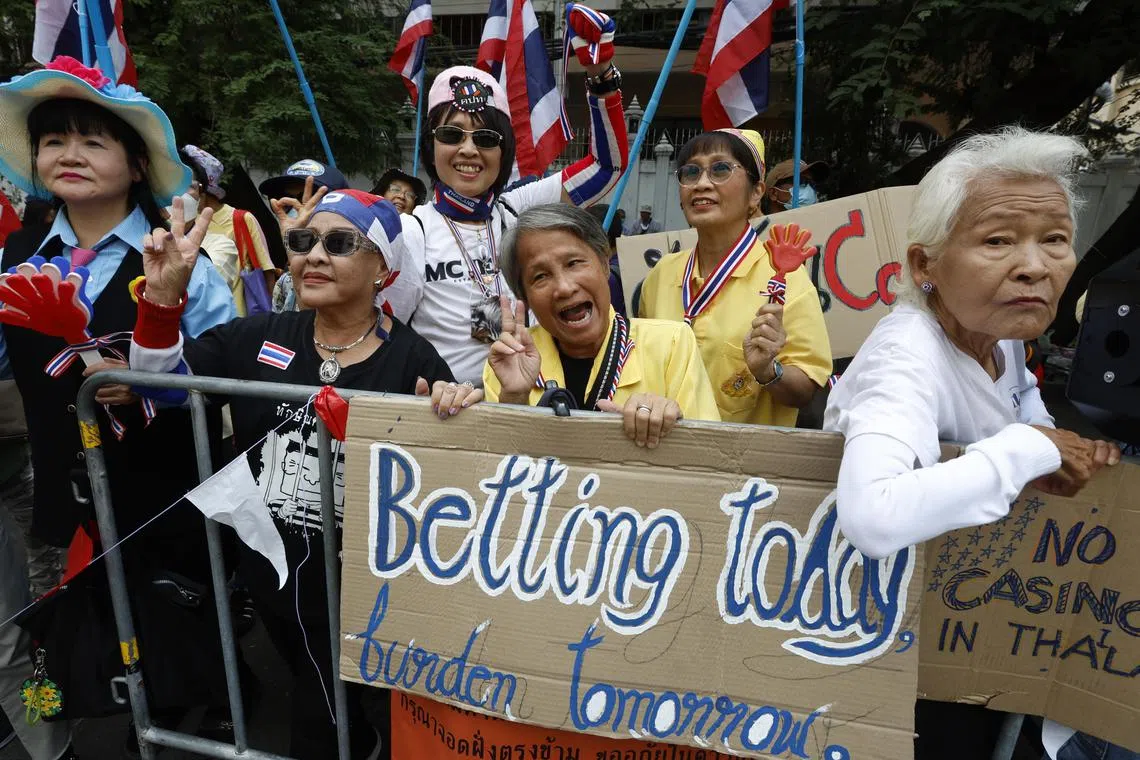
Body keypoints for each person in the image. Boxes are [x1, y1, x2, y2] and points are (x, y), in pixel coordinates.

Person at [129, 189, 471, 759]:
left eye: (338, 244)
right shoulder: (256, 335)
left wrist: (454, 406)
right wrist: (162, 301)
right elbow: (158, 388)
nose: (313, 255)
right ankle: (358, 737)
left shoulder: (416, 360)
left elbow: (445, 472)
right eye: (302, 242)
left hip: (366, 578)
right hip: (271, 567)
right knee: (313, 676)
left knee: (320, 709)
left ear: (383, 269)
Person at [821, 128, 1123, 760]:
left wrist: (1073, 456)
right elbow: (873, 516)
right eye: (997, 241)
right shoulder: (906, 357)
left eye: (1055, 241)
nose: (1035, 266)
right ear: (924, 266)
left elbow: (1031, 417)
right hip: (888, 656)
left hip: (970, 629)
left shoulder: (999, 333)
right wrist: (1031, 453)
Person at [0, 56, 238, 750]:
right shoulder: (17, 260)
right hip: (54, 499)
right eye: (53, 140)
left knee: (167, 642)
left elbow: (218, 375)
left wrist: (147, 371)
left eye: (92, 140)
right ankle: (64, 746)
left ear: (136, 165)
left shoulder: (178, 260)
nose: (68, 154)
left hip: (163, 502)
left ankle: (184, 726)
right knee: (55, 632)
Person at [398, 5, 628, 387]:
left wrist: (600, 77)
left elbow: (607, 168)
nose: (469, 151)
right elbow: (382, 331)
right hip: (449, 414)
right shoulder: (411, 231)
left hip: (534, 403)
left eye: (486, 138)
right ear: (430, 145)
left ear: (504, 152)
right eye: (452, 135)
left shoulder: (516, 209)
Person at [638, 128, 832, 427]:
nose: (701, 183)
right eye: (691, 172)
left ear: (756, 193)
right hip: (662, 457)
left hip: (741, 464)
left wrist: (768, 370)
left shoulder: (787, 280)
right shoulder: (662, 274)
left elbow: (806, 387)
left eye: (720, 169)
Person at [484, 204, 719, 444]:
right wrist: (514, 401)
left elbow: (712, 456)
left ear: (605, 265)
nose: (565, 287)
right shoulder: (509, 362)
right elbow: (488, 468)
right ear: (525, 298)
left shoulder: (671, 344)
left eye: (574, 263)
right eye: (540, 276)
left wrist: (672, 428)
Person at [181, 144, 278, 300]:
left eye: (188, 186)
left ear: (202, 189)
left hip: (237, 317)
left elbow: (266, 270)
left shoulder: (241, 219)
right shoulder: (185, 222)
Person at [764, 158, 829, 213]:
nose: (809, 188)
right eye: (800, 181)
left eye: (812, 183)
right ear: (773, 194)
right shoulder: (757, 227)